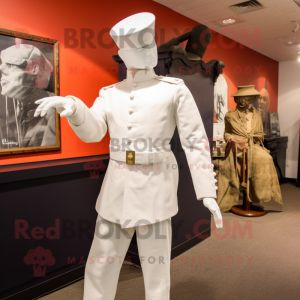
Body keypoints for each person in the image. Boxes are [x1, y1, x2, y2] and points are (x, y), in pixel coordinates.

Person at [34, 12, 223, 300]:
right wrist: (72, 107)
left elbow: (195, 141)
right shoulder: (110, 93)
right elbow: (93, 132)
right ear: (123, 55)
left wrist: (206, 191)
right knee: (100, 266)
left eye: (148, 48)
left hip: (156, 187)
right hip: (116, 187)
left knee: (156, 271)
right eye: (137, 51)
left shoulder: (174, 90)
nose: (146, 56)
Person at [217, 85, 283, 212]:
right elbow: (226, 133)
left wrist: (254, 139)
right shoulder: (230, 115)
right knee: (248, 161)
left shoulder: (257, 115)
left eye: (249, 98)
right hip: (237, 147)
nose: (246, 101)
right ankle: (241, 193)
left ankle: (258, 195)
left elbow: (260, 134)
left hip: (253, 146)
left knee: (266, 159)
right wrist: (232, 139)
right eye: (244, 98)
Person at [0, 43, 55, 147]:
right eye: (2, 64)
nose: (1, 69)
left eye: (11, 65)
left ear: (34, 70)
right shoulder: (19, 110)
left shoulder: (54, 111)